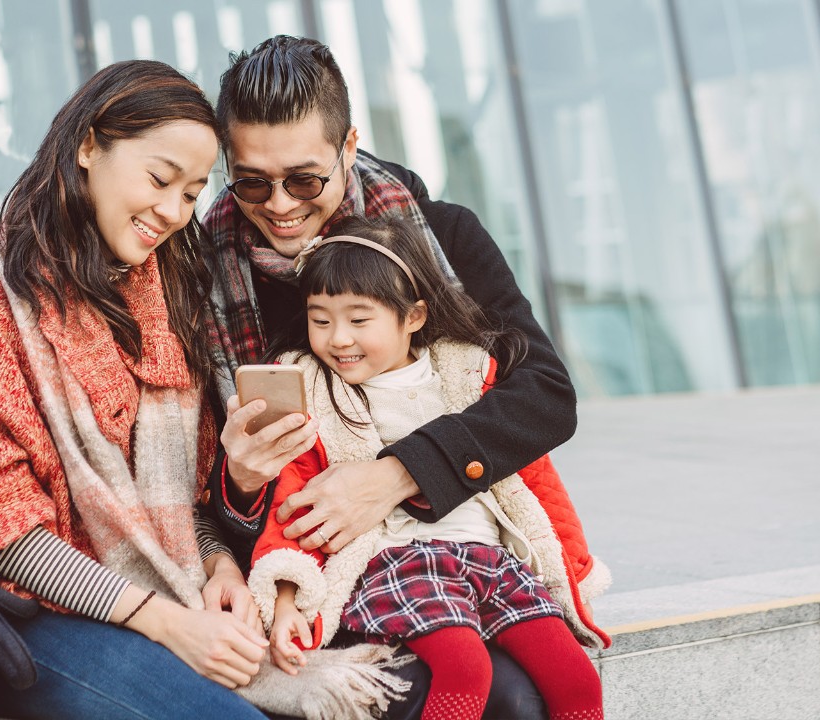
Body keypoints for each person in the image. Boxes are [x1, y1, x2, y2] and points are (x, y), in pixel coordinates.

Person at [204, 35, 580, 719]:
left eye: (305, 179)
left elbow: (546, 396)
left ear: (349, 148)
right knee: (499, 699)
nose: (279, 205)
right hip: (316, 575)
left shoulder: (442, 238)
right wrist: (243, 483)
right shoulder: (205, 281)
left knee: (541, 688)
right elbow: (205, 490)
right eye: (252, 181)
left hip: (461, 545)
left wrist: (392, 475)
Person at [0, 60, 272, 719]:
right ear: (89, 145)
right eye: (159, 178)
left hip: (159, 589)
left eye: (191, 192)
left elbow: (181, 500)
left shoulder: (169, 300)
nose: (173, 212)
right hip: (28, 611)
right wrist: (169, 624)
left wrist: (218, 568)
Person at [244, 216, 609, 720]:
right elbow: (295, 499)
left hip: (493, 564)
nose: (338, 339)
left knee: (578, 682)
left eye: (359, 319)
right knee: (465, 671)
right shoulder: (315, 390)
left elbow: (535, 483)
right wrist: (286, 597)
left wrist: (571, 564)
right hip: (402, 562)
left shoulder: (468, 372)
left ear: (413, 317)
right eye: (321, 320)